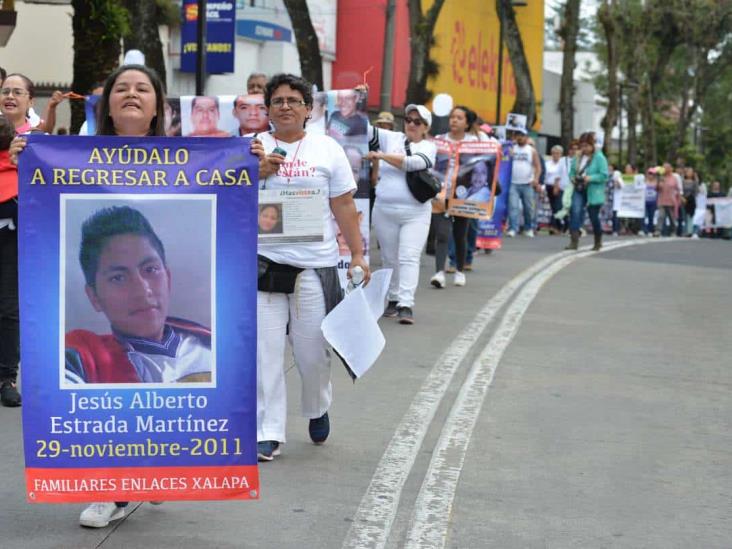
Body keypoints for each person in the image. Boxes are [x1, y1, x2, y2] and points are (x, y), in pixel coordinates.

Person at [255, 73, 369, 462]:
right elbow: (223, 192)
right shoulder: (250, 148)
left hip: (313, 268)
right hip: (262, 269)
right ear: (267, 109)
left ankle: (317, 406)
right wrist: (254, 173)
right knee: (264, 353)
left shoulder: (328, 149)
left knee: (311, 355)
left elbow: (344, 206)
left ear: (308, 109)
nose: (285, 106)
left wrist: (357, 254)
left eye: (293, 100)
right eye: (277, 101)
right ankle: (268, 432)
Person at [65, 205, 212, 385]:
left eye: (150, 269)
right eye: (118, 278)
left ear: (168, 279)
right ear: (94, 297)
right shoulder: (84, 358)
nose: (142, 290)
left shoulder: (214, 345)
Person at [367, 104, 436, 325]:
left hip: (415, 212)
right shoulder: (392, 137)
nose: (411, 125)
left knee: (408, 256)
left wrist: (381, 155)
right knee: (389, 258)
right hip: (384, 209)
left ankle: (406, 303)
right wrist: (358, 99)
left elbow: (414, 164)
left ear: (425, 127)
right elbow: (366, 130)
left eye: (417, 122)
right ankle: (393, 298)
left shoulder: (428, 146)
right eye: (408, 119)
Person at [0, 72, 39, 408]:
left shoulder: (39, 141)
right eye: (5, 91)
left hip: (16, 227)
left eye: (17, 92)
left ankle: (6, 378)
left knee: (9, 307)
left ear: (29, 101)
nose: (9, 96)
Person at [430, 105, 483, 288]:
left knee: (460, 235)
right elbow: (431, 165)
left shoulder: (475, 143)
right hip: (441, 193)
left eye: (459, 118)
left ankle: (459, 270)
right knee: (442, 234)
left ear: (467, 123)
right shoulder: (439, 141)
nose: (454, 120)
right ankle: (439, 273)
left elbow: (483, 166)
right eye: (452, 117)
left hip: (463, 195)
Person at [566, 131, 608, 251]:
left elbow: (604, 175)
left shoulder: (599, 157)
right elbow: (572, 171)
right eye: (582, 146)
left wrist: (591, 178)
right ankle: (574, 241)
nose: (584, 148)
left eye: (587, 145)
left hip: (593, 191)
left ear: (593, 144)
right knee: (575, 211)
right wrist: (573, 177)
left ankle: (597, 240)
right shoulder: (578, 156)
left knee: (593, 216)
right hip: (579, 189)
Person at [505, 127, 541, 238]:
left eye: (522, 135)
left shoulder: (531, 150)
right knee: (513, 207)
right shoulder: (512, 149)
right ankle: (513, 228)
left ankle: (528, 228)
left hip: (528, 183)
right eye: (518, 135)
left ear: (526, 137)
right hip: (513, 183)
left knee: (528, 208)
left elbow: (538, 166)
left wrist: (536, 179)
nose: (520, 138)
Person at [544, 145, 569, 234]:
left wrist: (558, 186)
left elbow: (564, 176)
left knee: (558, 206)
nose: (555, 155)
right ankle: (561, 225)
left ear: (561, 154)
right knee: (554, 208)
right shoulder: (547, 163)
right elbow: (545, 176)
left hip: (560, 187)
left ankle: (556, 226)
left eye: (558, 153)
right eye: (554, 153)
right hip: (549, 186)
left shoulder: (564, 163)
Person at [654, 163, 680, 237]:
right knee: (660, 216)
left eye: (667, 168)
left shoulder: (674, 178)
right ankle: (658, 231)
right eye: (664, 168)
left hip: (671, 201)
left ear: (670, 169)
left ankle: (673, 231)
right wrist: (659, 182)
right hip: (662, 200)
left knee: (672, 218)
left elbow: (677, 190)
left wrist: (678, 200)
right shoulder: (661, 177)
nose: (665, 169)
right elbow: (657, 189)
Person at [643, 167, 659, 235]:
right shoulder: (644, 181)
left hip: (653, 202)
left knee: (651, 216)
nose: (650, 175)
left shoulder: (657, 182)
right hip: (645, 201)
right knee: (644, 216)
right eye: (649, 173)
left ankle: (650, 230)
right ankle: (644, 230)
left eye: (652, 174)